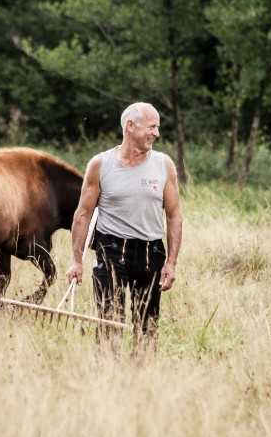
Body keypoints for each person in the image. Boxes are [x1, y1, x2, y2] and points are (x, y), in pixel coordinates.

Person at [65, 102, 183, 359]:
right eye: (152, 127)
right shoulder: (101, 164)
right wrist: (76, 261)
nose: (157, 134)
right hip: (111, 249)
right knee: (109, 321)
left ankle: (141, 381)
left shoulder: (164, 165)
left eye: (158, 127)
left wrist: (171, 263)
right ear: (130, 126)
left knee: (147, 323)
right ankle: (107, 379)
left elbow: (174, 216)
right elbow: (83, 214)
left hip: (151, 252)